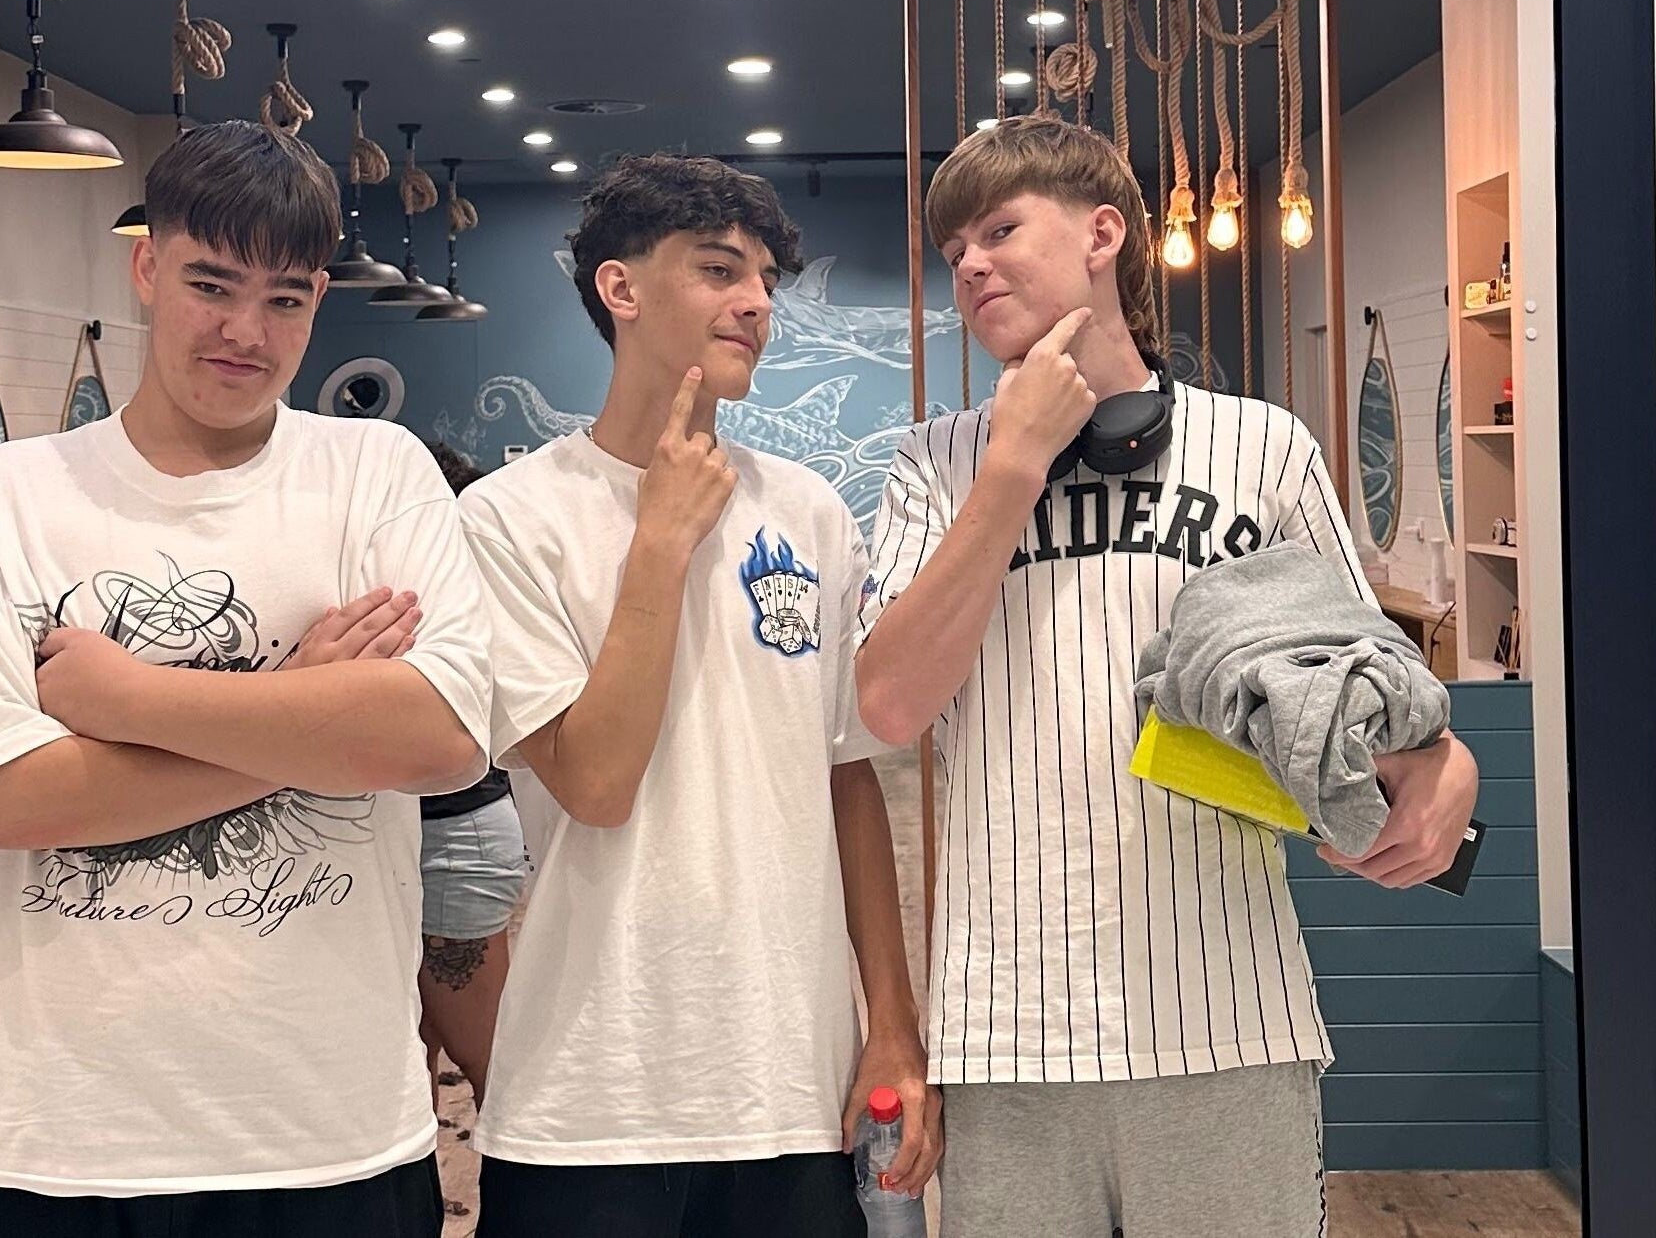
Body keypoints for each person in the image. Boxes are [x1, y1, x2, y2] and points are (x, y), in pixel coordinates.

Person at [855, 115, 1481, 1238]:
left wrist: (1442, 757)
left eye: (999, 229)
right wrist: (1009, 471)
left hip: (1224, 1013)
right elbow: (891, 704)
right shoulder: (937, 465)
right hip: (1005, 1028)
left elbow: (1360, 678)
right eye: (952, 253)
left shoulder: (1263, 447)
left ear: (1104, 233)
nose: (970, 265)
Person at [0, 120, 493, 1238]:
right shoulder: (4, 497)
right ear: (148, 266)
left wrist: (129, 704)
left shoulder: (376, 475)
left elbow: (437, 737)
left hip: (317, 1144)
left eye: (286, 299)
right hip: (12, 1143)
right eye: (212, 283)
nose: (245, 332)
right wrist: (303, 708)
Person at [455, 154, 937, 1238]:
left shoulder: (808, 511)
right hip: (590, 1098)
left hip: (788, 1088)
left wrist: (892, 1021)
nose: (757, 303)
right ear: (620, 290)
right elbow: (596, 782)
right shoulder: (507, 521)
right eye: (720, 269)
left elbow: (845, 771)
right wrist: (661, 542)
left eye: (764, 277)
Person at [415, 443, 531, 1109]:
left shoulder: (460, 593)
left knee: (496, 1072)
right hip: (428, 834)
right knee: (410, 1059)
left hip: (456, 835)